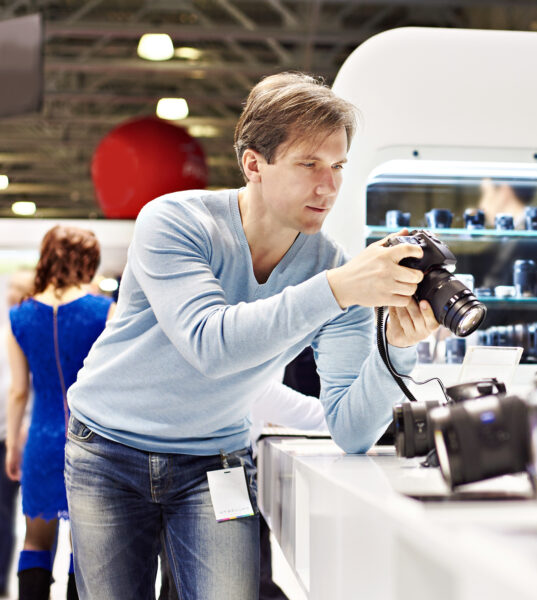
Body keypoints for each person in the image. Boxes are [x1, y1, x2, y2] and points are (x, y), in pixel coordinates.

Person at [64, 71, 440, 600]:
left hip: (214, 461)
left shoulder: (333, 271)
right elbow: (210, 346)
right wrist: (335, 289)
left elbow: (352, 429)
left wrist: (396, 351)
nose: (328, 186)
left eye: (336, 166)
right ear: (253, 164)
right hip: (108, 450)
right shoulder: (174, 221)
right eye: (308, 164)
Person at [6, 228, 114, 599]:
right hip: (90, 440)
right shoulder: (103, 311)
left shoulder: (19, 316)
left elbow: (20, 390)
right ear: (87, 261)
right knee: (84, 544)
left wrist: (11, 448)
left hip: (40, 438)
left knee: (35, 541)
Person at [0, 270, 34, 597]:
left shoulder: (26, 327)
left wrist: (16, 434)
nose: (10, 294)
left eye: (16, 289)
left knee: (23, 520)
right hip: (12, 432)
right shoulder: (8, 328)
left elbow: (22, 390)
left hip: (25, 433)